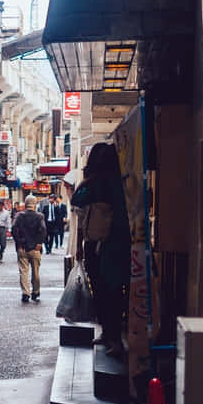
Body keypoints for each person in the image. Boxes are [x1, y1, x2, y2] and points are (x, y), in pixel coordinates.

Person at [71, 142, 131, 360]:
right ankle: (112, 336)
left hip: (98, 244)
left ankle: (111, 336)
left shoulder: (93, 185)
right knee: (115, 291)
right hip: (117, 243)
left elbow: (77, 201)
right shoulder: (121, 183)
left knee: (103, 291)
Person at [12, 194, 48, 303]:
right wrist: (39, 243)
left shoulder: (19, 215)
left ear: (25, 204)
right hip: (35, 249)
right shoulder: (40, 216)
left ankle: (25, 293)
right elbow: (43, 230)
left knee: (23, 271)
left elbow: (13, 229)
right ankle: (36, 292)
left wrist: (18, 242)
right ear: (35, 204)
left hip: (22, 247)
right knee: (35, 272)